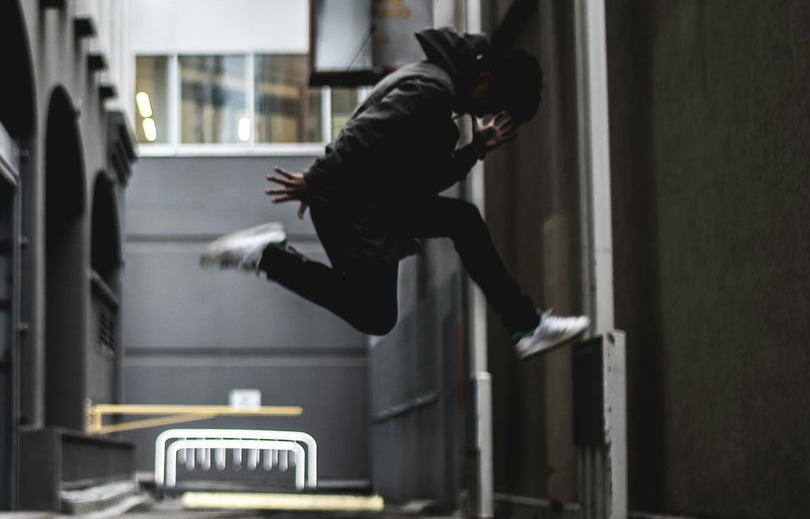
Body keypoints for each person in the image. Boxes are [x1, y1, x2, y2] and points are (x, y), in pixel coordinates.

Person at [199, 27, 587, 359]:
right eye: (492, 103)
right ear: (483, 78)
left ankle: (525, 324)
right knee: (377, 312)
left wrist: (474, 150)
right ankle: (267, 256)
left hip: (374, 202)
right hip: (355, 209)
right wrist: (316, 180)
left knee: (453, 230)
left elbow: (422, 179)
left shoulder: (437, 88)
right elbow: (361, 133)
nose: (483, 113)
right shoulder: (431, 91)